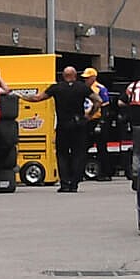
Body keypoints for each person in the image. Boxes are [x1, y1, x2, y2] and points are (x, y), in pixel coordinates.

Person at [48, 64, 93, 192]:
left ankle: (64, 183)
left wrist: (22, 96)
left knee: (62, 154)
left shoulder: (56, 88)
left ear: (63, 76)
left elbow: (38, 98)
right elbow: (98, 101)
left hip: (62, 125)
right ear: (75, 76)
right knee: (78, 154)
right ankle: (74, 184)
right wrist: (88, 116)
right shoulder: (82, 87)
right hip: (78, 125)